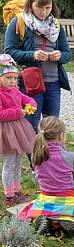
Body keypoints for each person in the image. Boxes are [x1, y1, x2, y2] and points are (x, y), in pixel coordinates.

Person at [19, 117, 74, 235]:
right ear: (61, 135)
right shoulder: (70, 156)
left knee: (29, 211)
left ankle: (48, 222)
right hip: (68, 198)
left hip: (45, 198)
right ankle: (72, 222)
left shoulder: (36, 155)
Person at [3, 0, 72, 131]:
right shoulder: (19, 22)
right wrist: (32, 55)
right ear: (30, 4)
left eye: (47, 7)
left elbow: (67, 54)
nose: (43, 11)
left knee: (52, 127)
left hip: (53, 83)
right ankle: (34, 155)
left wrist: (59, 56)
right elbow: (8, 52)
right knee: (30, 126)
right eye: (39, 7)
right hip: (29, 84)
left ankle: (50, 153)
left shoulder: (56, 26)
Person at [0, 56, 36, 205]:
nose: (12, 81)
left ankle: (16, 190)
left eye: (15, 78)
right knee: (9, 162)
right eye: (8, 78)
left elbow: (26, 99)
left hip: (19, 130)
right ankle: (9, 195)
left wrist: (31, 104)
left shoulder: (15, 91)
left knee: (17, 161)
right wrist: (19, 112)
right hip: (6, 133)